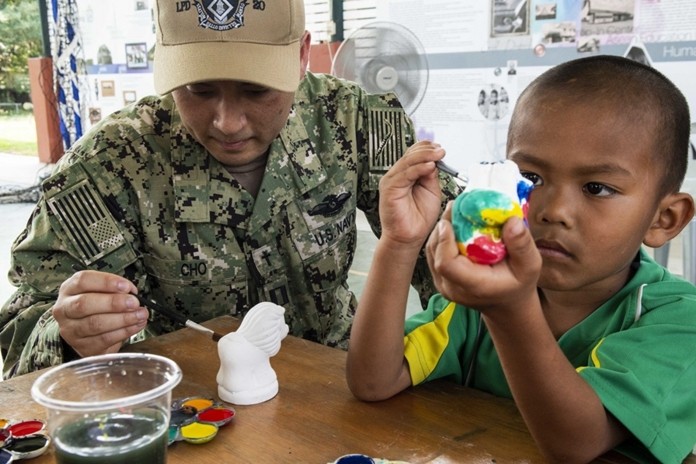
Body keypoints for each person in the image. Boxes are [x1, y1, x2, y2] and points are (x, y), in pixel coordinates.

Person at [0, 0, 460, 379]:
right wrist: (66, 334)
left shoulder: (355, 121)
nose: (227, 122)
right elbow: (18, 332)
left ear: (302, 55)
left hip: (342, 385)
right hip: (190, 409)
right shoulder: (108, 168)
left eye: (256, 90)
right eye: (199, 89)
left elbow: (448, 239)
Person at [346, 55, 696, 464]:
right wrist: (399, 243)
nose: (553, 210)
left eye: (597, 187)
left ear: (663, 218)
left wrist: (509, 310)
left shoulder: (675, 320)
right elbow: (372, 381)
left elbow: (576, 444)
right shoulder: (473, 306)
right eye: (531, 178)